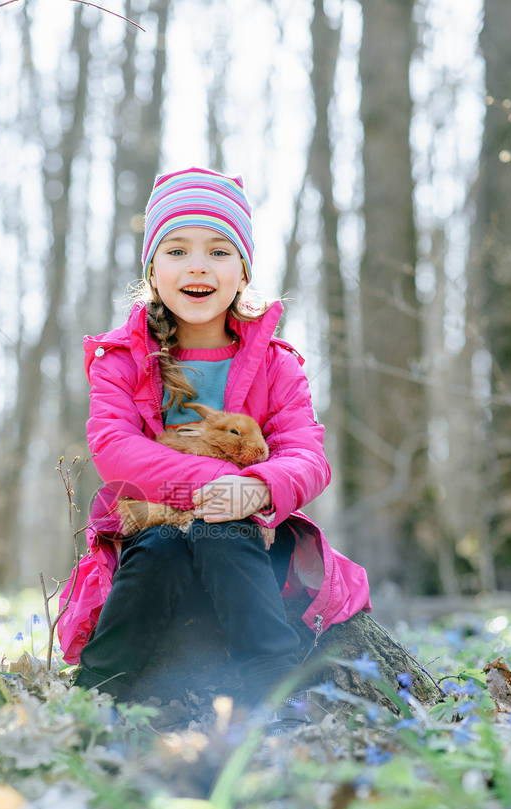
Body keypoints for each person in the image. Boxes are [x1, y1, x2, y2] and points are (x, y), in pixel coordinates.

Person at [58, 167, 371, 707]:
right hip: (155, 531)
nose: (198, 264)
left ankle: (272, 690)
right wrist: (226, 478)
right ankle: (101, 692)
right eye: (177, 250)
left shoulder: (276, 364)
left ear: (243, 271)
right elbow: (114, 448)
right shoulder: (122, 361)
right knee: (159, 547)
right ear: (152, 270)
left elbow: (306, 454)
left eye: (219, 251)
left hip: (245, 543)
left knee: (220, 534)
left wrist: (260, 489)